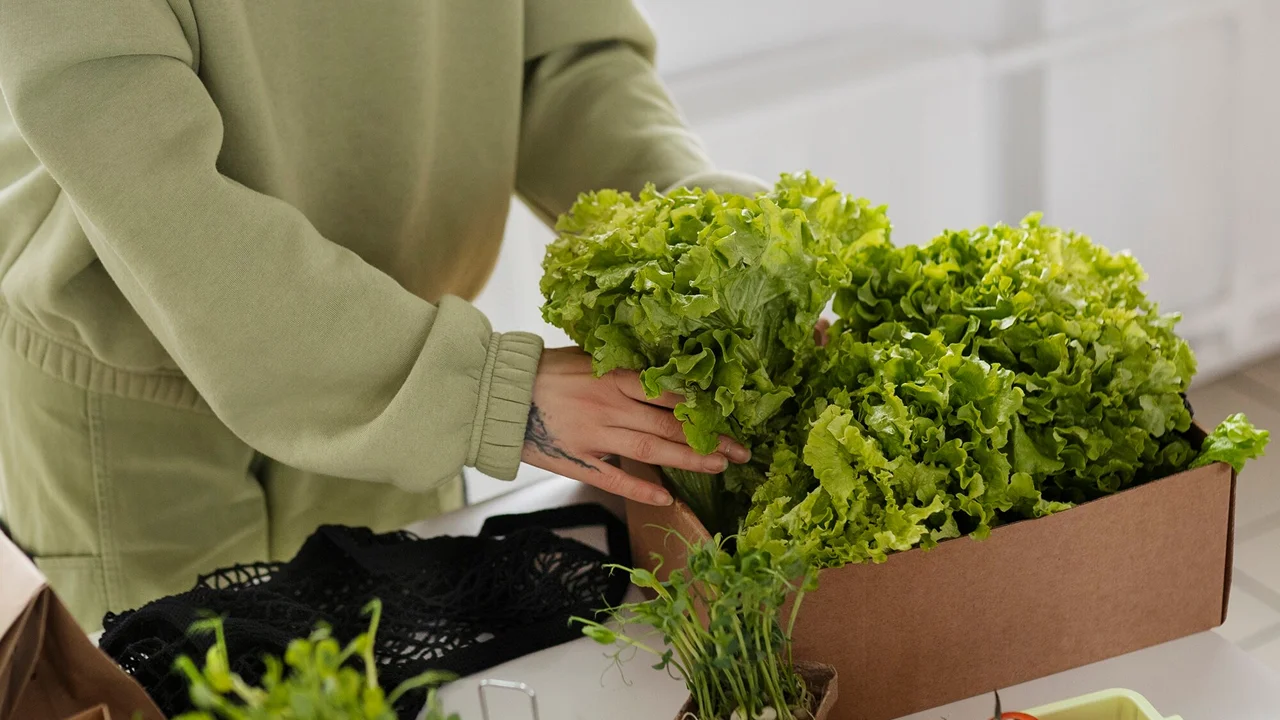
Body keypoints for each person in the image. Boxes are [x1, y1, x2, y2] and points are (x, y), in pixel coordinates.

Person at [0, 0, 766, 630]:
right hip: (147, 425)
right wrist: (484, 390)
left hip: (396, 378)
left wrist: (703, 247)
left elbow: (561, 58)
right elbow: (152, 184)